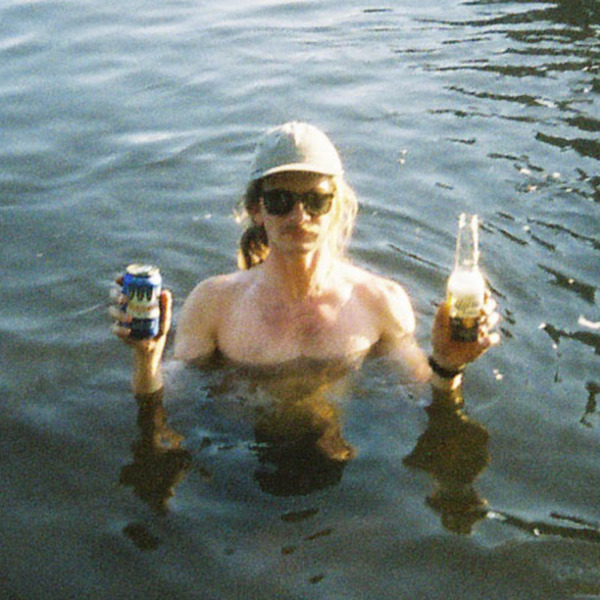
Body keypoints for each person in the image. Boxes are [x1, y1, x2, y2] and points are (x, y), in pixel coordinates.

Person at [111, 121, 500, 400]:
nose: (299, 216)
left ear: (337, 206)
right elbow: (171, 400)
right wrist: (147, 360)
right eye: (281, 200)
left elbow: (423, 396)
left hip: (345, 464)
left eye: (316, 200)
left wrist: (448, 365)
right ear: (256, 209)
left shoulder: (380, 301)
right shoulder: (214, 304)